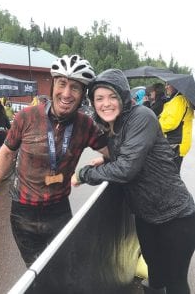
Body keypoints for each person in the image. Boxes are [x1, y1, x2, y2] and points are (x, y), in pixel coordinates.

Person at [0, 55, 108, 268]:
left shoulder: (86, 125)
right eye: (62, 83)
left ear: (83, 95)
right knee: (36, 272)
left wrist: (102, 160)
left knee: (63, 268)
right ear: (53, 85)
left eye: (75, 87)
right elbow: (6, 153)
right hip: (23, 212)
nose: (66, 93)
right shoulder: (27, 116)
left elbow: (115, 152)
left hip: (59, 210)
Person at [71, 69, 195, 294]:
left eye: (111, 96)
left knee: (176, 282)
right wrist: (106, 157)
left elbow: (126, 169)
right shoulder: (114, 124)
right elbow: (124, 152)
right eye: (99, 98)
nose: (105, 104)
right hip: (146, 217)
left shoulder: (141, 116)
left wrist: (84, 174)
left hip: (177, 217)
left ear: (123, 96)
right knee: (156, 274)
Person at [159, 83, 194, 171]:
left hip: (175, 144)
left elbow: (170, 123)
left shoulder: (179, 100)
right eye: (166, 84)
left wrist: (156, 125)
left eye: (168, 85)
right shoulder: (178, 99)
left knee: (170, 175)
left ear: (176, 86)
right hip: (176, 142)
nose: (166, 87)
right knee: (171, 175)